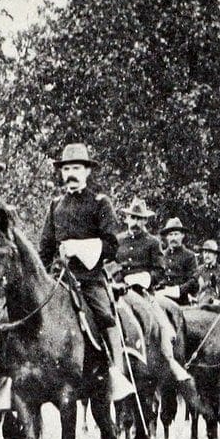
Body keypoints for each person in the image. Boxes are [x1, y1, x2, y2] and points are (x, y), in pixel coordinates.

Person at [38, 143, 135, 401]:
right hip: (59, 279)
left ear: (87, 171)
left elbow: (111, 245)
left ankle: (116, 371)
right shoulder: (55, 205)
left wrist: (78, 248)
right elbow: (45, 249)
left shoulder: (100, 203)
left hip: (90, 279)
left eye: (76, 168)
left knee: (104, 314)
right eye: (66, 168)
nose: (71, 173)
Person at [115, 197, 163, 292]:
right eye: (133, 217)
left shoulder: (153, 242)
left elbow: (159, 271)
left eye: (139, 219)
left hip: (142, 290)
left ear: (145, 221)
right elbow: (108, 263)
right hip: (118, 286)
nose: (135, 222)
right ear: (127, 219)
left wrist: (144, 279)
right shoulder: (118, 240)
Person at [157, 218, 200, 304]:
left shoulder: (189, 256)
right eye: (170, 235)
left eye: (176, 234)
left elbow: (193, 281)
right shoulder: (162, 255)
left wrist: (178, 290)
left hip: (181, 300)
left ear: (182, 235)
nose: (173, 238)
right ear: (167, 237)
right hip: (161, 297)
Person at [194, 240, 220, 305]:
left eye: (210, 252)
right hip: (200, 303)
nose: (207, 255)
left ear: (215, 255)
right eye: (205, 252)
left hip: (216, 305)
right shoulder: (199, 270)